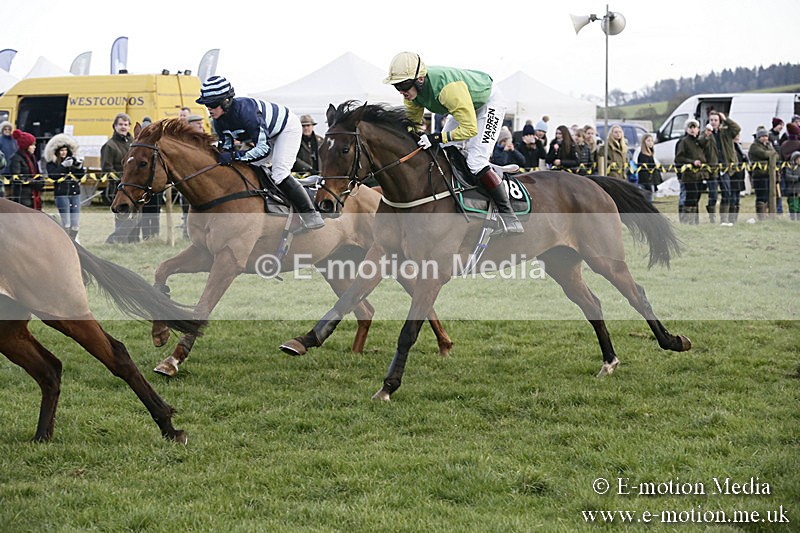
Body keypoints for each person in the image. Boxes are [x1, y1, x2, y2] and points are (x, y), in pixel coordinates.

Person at [382, 52, 522, 234]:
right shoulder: (411, 95)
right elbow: (413, 126)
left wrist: (437, 137)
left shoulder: (447, 90)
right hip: (465, 103)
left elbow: (469, 130)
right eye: (396, 86)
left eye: (403, 85)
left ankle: (509, 216)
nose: (401, 91)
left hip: (488, 102)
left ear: (421, 79)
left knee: (476, 161)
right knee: (446, 151)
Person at [196, 75, 324, 230]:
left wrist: (236, 156)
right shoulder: (218, 121)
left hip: (286, 129)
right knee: (251, 169)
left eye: (212, 104)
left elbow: (263, 150)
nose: (209, 109)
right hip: (268, 134)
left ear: (226, 101)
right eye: (206, 105)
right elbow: (227, 147)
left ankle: (310, 214)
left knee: (279, 173)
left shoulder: (246, 113)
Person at [102, 113, 141, 243]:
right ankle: (118, 240)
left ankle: (134, 240)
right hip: (119, 187)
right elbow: (107, 168)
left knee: (136, 214)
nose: (123, 127)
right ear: (114, 126)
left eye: (126, 124)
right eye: (120, 124)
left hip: (136, 187)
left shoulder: (134, 143)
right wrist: (123, 179)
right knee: (122, 215)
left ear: (129, 126)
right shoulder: (109, 146)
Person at [701, 110, 741, 225]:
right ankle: (712, 220)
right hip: (712, 168)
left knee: (726, 193)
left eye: (716, 120)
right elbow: (700, 142)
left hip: (725, 167)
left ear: (719, 121)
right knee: (713, 194)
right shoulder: (706, 133)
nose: (713, 122)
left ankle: (724, 220)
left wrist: (726, 119)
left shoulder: (726, 132)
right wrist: (706, 136)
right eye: (711, 120)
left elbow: (737, 129)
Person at [45, 134, 86, 240]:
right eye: (61, 150)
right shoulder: (52, 164)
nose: (64, 152)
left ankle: (73, 242)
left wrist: (79, 167)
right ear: (57, 152)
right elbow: (53, 176)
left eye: (65, 150)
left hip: (75, 194)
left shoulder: (72, 161)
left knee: (75, 223)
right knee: (66, 223)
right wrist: (63, 166)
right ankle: (65, 242)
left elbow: (80, 176)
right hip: (61, 194)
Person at [674, 119, 708, 224]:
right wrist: (692, 162)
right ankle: (688, 221)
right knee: (690, 198)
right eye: (690, 127)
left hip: (699, 175)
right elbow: (679, 158)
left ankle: (695, 221)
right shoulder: (684, 142)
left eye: (695, 127)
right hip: (689, 175)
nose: (693, 130)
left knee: (697, 198)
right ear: (686, 129)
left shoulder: (699, 141)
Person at [8, 130, 44, 209]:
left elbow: (37, 173)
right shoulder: (16, 158)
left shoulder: (33, 158)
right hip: (22, 197)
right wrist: (34, 182)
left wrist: (41, 180)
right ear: (26, 146)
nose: (34, 147)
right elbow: (16, 178)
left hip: (33, 195)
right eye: (32, 145)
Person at [748, 128, 778, 220]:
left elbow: (776, 155)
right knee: (761, 195)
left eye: (766, 136)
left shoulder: (768, 145)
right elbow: (765, 154)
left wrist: (772, 153)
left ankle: (768, 214)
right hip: (759, 175)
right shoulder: (754, 146)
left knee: (769, 195)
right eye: (763, 136)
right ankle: (761, 216)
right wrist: (772, 153)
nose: (765, 138)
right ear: (758, 137)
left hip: (769, 175)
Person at [729, 133, 748, 225]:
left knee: (737, 198)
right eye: (735, 135)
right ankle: (731, 218)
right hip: (733, 175)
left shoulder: (738, 147)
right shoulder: (730, 148)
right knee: (732, 197)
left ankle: (735, 218)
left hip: (740, 175)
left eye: (738, 135)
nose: (737, 137)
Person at [636, 133, 662, 202]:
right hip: (646, 182)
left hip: (652, 181)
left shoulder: (650, 154)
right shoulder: (642, 155)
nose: (650, 143)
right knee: (648, 200)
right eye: (648, 141)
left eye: (651, 141)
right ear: (644, 142)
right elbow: (644, 171)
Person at [782, 150, 800, 220]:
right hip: (793, 190)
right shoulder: (789, 167)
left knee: (798, 206)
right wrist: (797, 178)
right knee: (793, 205)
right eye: (798, 158)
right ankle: (793, 218)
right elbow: (788, 176)